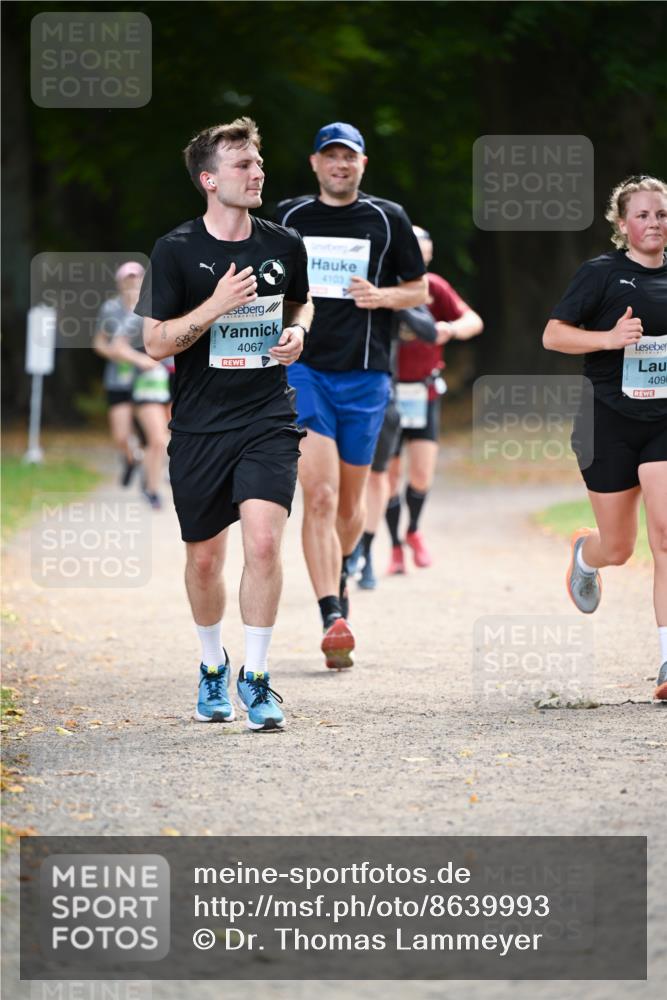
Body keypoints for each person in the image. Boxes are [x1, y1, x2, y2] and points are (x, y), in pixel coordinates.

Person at [136, 117, 313, 730]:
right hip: (200, 426)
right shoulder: (177, 249)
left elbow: (300, 301)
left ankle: (257, 678)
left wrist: (297, 332)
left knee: (263, 542)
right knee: (206, 558)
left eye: (258, 161)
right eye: (243, 164)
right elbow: (156, 343)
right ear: (209, 180)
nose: (257, 171)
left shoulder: (284, 243)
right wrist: (214, 307)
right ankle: (213, 664)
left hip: (268, 416)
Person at [277, 122, 427, 669]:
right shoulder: (289, 218)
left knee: (349, 505)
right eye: (330, 156)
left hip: (366, 375)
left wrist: (382, 296)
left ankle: (340, 570)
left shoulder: (388, 218)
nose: (340, 165)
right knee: (317, 494)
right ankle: (331, 612)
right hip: (305, 370)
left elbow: (421, 288)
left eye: (350, 157)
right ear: (315, 163)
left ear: (363, 164)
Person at [543, 175, 667, 701]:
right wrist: (610, 339)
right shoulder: (600, 275)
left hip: (664, 421)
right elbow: (554, 336)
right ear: (622, 224)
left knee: (665, 535)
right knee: (619, 546)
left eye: (661, 214)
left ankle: (665, 663)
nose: (654, 223)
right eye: (642, 215)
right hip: (607, 422)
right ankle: (586, 556)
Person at [386, 226, 484, 574]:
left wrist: (450, 330)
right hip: (389, 393)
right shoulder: (386, 288)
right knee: (389, 474)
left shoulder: (435, 287)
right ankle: (394, 547)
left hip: (425, 391)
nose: (415, 254)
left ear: (428, 256)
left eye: (422, 250)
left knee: (422, 473)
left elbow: (473, 320)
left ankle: (413, 531)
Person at [347, 302, 443, 590]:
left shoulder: (391, 291)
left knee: (379, 476)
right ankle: (351, 551)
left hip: (382, 395)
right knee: (339, 483)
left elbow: (429, 331)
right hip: (332, 390)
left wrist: (393, 301)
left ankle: (364, 551)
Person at [92, 262, 147, 487]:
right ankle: (132, 457)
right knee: (121, 435)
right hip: (119, 378)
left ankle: (153, 474)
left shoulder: (152, 306)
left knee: (156, 432)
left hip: (148, 379)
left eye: (136, 278)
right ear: (120, 282)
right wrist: (118, 355)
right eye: (128, 279)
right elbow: (100, 343)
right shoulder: (110, 308)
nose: (132, 282)